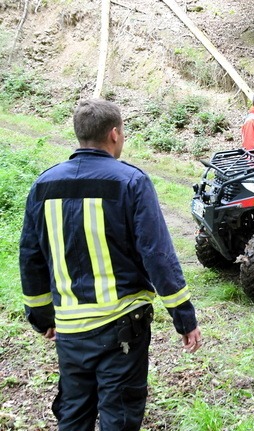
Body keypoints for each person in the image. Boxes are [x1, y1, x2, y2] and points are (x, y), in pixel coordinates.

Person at [19, 99, 202, 430]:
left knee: (74, 414)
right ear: (115, 134)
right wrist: (184, 318)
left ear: (79, 134)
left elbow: (31, 257)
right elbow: (157, 255)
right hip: (122, 328)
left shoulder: (42, 186)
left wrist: (42, 317)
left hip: (70, 332)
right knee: (119, 415)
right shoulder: (130, 182)